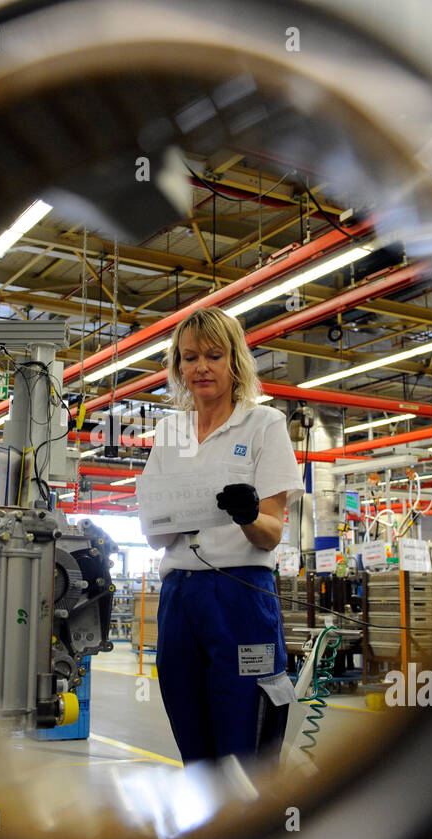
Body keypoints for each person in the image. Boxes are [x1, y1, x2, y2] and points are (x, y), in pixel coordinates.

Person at [141, 307, 304, 767]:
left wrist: (249, 513)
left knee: (244, 737)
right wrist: (171, 515)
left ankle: (255, 829)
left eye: (213, 355)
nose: (201, 368)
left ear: (235, 361)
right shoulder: (168, 432)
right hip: (179, 598)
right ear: (177, 367)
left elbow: (270, 534)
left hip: (239, 597)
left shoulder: (264, 425)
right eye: (189, 358)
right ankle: (209, 829)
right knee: (191, 735)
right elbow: (154, 536)